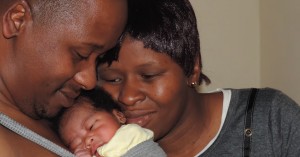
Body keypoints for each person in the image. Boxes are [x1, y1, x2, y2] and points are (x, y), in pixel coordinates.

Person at [97, 0, 300, 156]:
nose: (128, 97)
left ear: (192, 68)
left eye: (148, 76)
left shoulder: (271, 120)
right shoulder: (90, 142)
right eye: (112, 79)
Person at [0, 0, 127, 156]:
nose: (89, 81)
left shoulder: (68, 116)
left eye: (99, 59)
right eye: (81, 55)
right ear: (17, 20)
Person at [58, 88, 166, 157]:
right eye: (76, 143)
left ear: (118, 116)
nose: (87, 141)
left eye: (91, 127)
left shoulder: (131, 134)